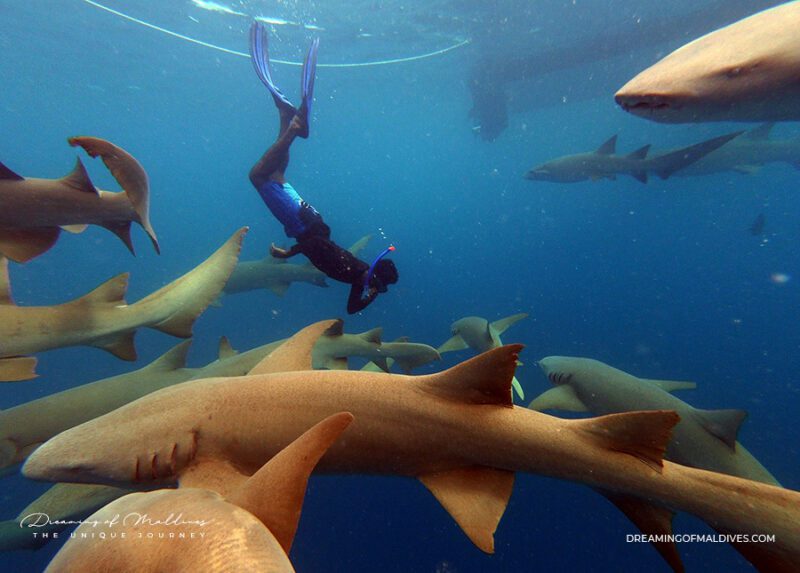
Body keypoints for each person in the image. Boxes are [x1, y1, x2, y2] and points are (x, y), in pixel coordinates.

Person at [247, 22, 398, 314]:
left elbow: (352, 308)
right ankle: (293, 128)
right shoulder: (356, 271)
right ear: (377, 276)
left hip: (309, 221)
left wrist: (372, 292)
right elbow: (317, 246)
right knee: (258, 176)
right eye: (380, 284)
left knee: (276, 176)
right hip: (304, 225)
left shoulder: (360, 276)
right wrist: (289, 252)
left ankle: (286, 116)